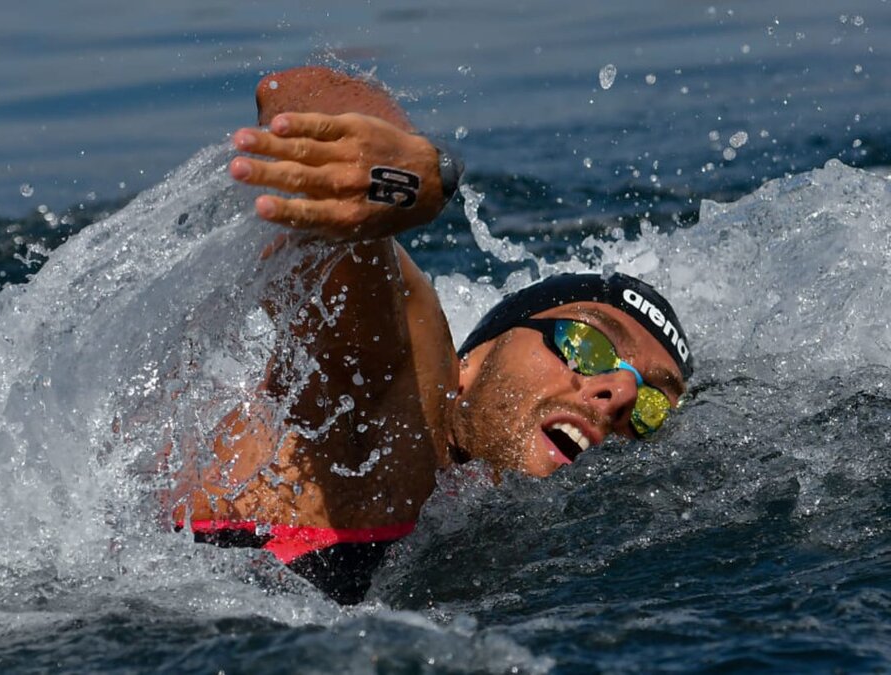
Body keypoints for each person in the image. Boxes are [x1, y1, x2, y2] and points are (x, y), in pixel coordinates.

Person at [176, 67, 693, 603]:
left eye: (654, 403)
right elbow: (294, 93)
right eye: (586, 346)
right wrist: (402, 175)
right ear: (471, 360)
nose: (623, 393)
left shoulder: (504, 535)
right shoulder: (390, 416)